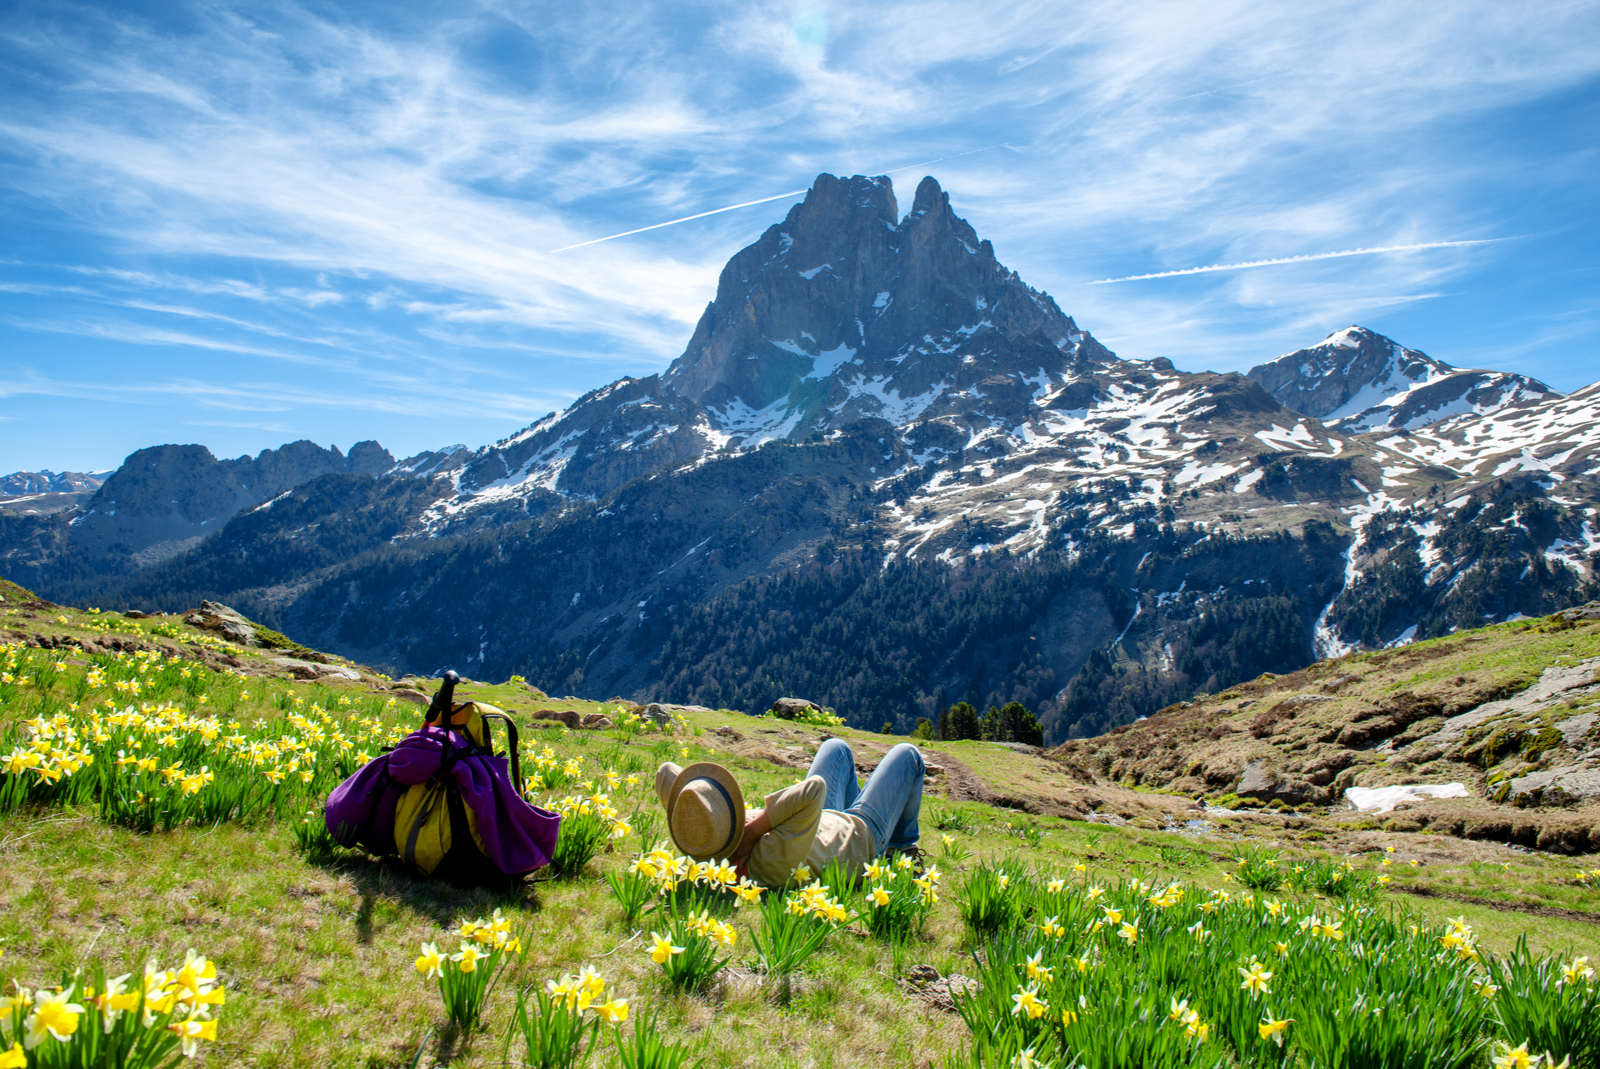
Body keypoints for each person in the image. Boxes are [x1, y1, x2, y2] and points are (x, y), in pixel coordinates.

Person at [654, 738, 925, 888]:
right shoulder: (768, 862)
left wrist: (691, 808)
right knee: (908, 754)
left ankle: (878, 824)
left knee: (836, 748)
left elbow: (665, 772)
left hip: (816, 822)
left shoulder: (705, 842)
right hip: (860, 838)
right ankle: (899, 852)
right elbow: (813, 789)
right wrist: (750, 832)